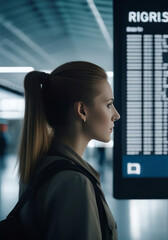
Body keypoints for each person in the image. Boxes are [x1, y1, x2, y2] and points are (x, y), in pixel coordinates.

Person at [17, 61, 120, 240]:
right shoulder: (75, 183)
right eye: (109, 104)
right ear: (82, 110)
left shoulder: (39, 165)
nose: (116, 115)